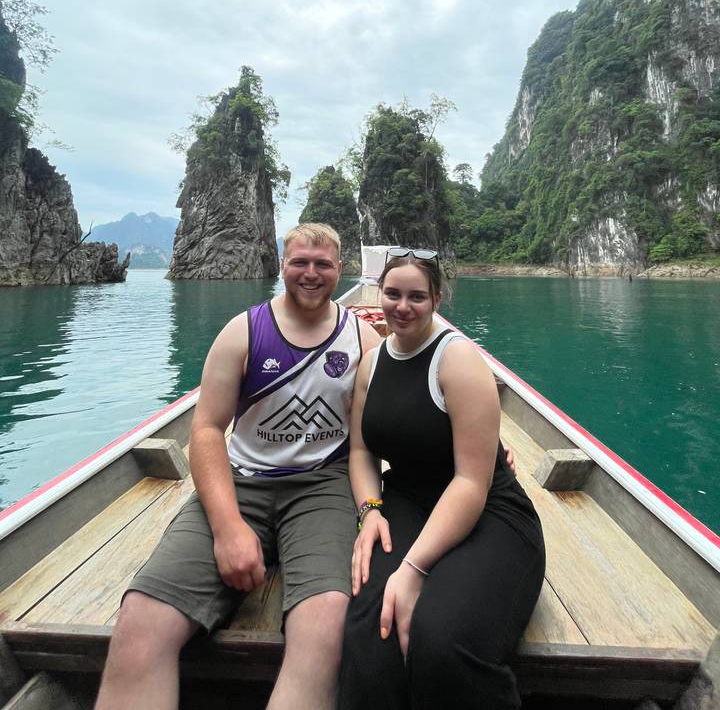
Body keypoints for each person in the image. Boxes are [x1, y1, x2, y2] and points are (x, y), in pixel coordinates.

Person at [95, 223, 381, 710]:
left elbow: (416, 382)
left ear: (340, 269)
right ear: (281, 265)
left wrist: (481, 444)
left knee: (327, 622)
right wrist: (228, 529)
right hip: (241, 483)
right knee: (141, 621)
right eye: (299, 262)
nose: (310, 274)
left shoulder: (362, 339)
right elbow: (206, 430)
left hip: (324, 488)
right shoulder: (244, 332)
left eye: (323, 264)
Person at [338, 247, 545, 710]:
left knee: (443, 639)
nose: (402, 306)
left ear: (436, 300)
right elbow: (361, 451)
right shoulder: (371, 364)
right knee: (372, 626)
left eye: (417, 296)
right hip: (406, 499)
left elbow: (472, 481)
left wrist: (413, 570)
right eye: (392, 294)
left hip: (488, 509)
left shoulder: (458, 361)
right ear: (379, 294)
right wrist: (370, 510)